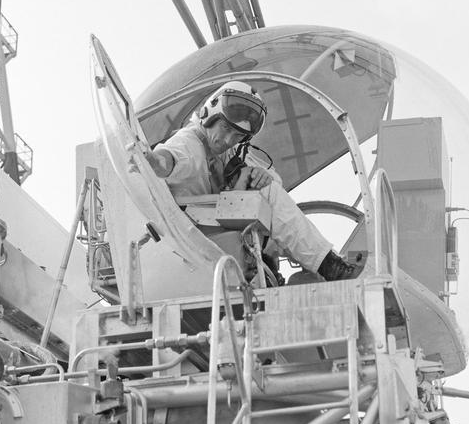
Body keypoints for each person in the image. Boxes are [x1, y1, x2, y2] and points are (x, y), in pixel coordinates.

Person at [143, 81, 363, 282]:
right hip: (190, 235)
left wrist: (260, 175)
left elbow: (272, 176)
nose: (228, 140)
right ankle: (330, 266)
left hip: (208, 229)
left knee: (267, 192)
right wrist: (152, 161)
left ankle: (285, 269)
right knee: (269, 196)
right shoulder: (189, 143)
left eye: (238, 136)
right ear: (209, 116)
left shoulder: (222, 151)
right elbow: (169, 160)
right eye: (226, 129)